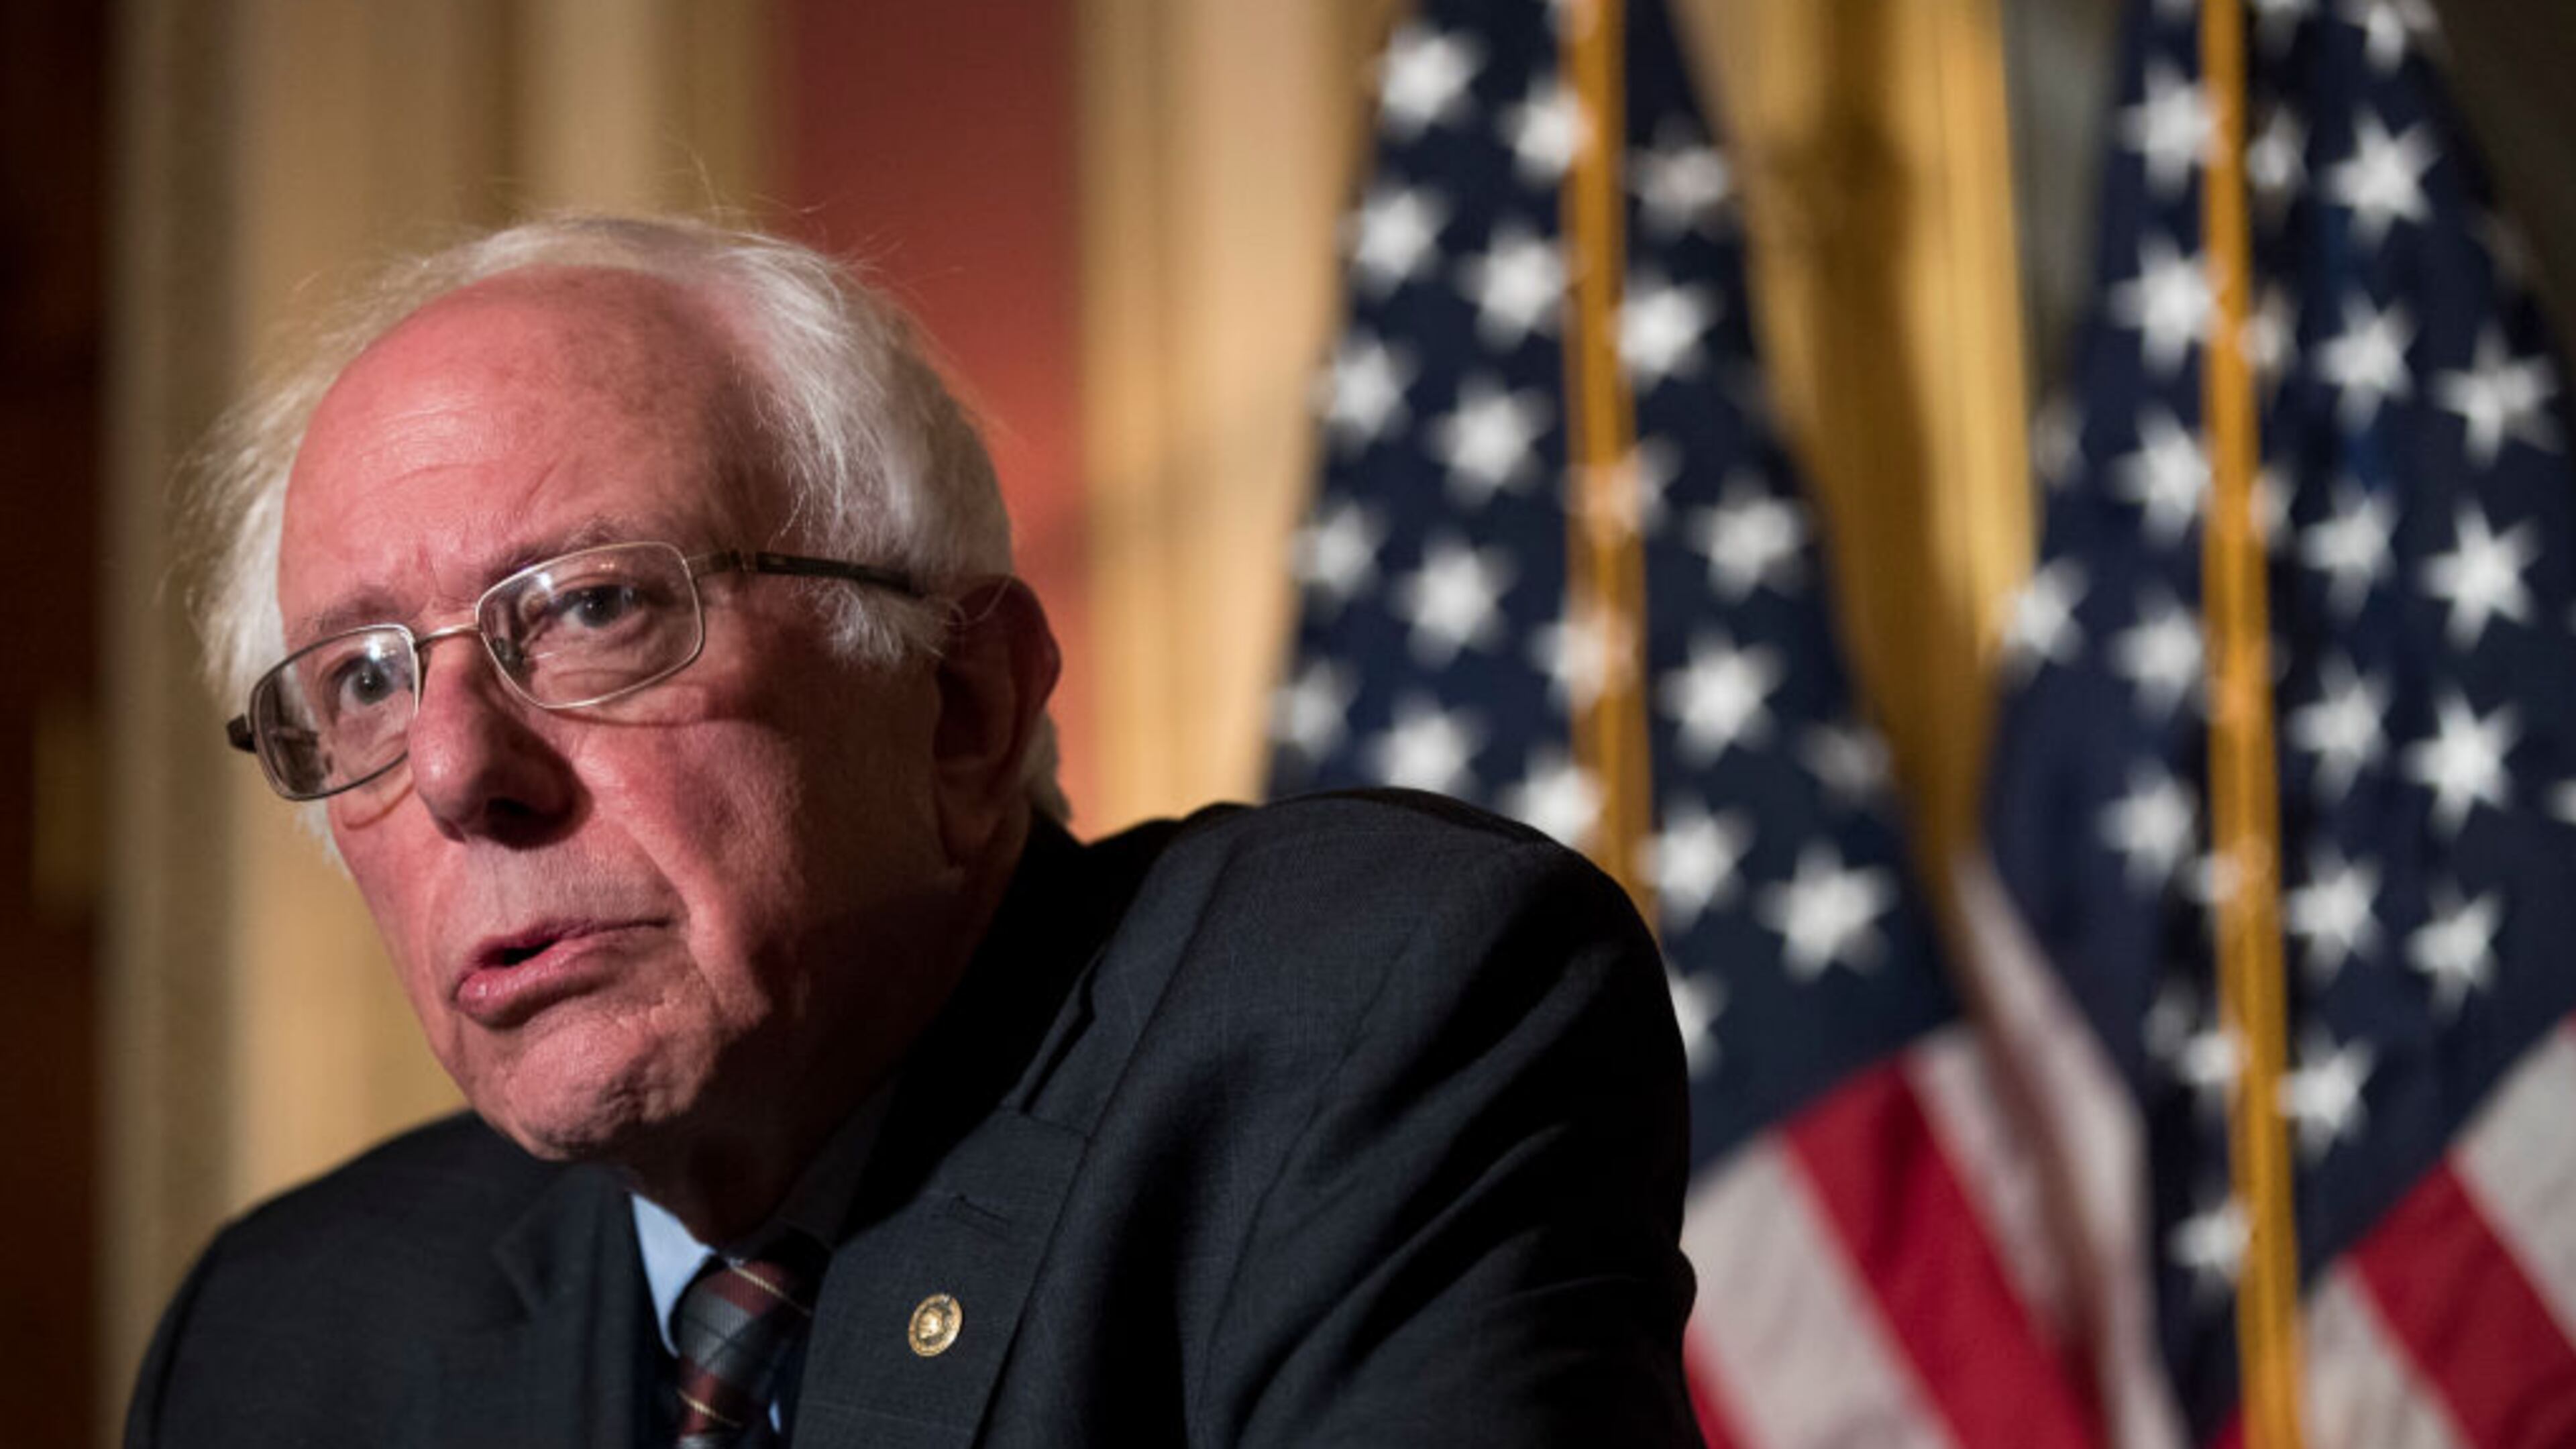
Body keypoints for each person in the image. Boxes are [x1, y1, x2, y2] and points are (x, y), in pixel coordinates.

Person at [125, 215, 1701, 1448]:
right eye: (362, 683)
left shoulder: (1358, 1023)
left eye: (596, 607)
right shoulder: (293, 1338)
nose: (464, 769)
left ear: (961, 704)